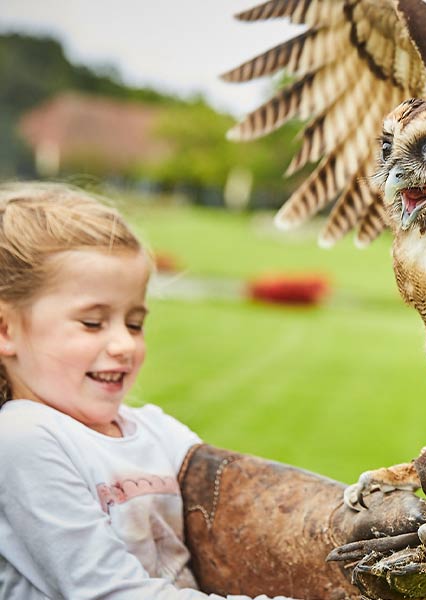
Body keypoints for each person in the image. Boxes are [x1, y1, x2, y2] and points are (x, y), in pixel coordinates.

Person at [0, 182, 299, 600]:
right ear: (6, 329)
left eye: (135, 323)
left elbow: (245, 500)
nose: (124, 344)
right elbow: (107, 591)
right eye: (92, 322)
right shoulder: (23, 438)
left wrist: (344, 515)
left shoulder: (155, 430)